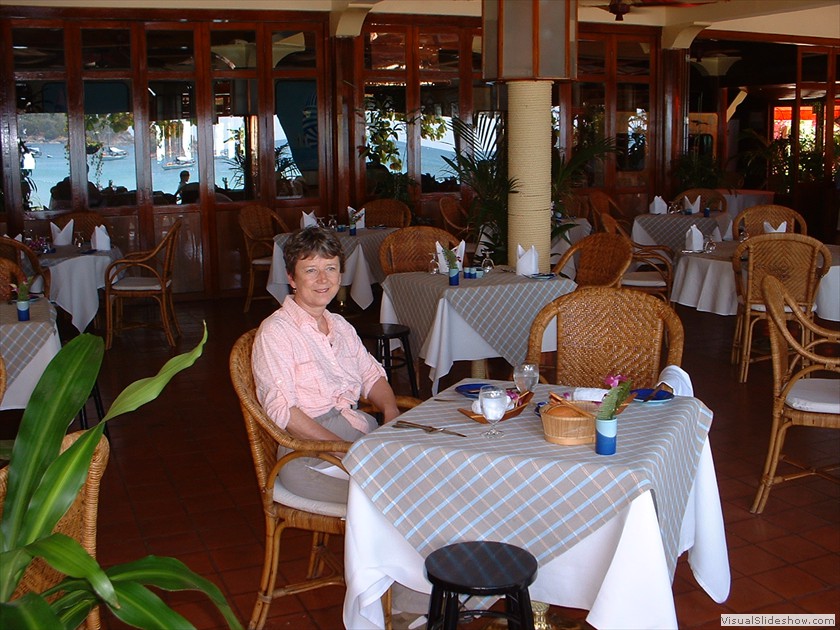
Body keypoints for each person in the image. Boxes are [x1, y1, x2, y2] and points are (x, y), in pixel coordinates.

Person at [251, 226, 400, 502]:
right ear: (291, 278)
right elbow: (283, 411)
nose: (323, 279)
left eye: (331, 269)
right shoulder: (276, 332)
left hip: (359, 437)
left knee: (423, 481)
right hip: (308, 453)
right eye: (311, 270)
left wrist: (390, 413)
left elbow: (372, 377)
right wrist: (341, 449)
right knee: (388, 500)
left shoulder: (340, 326)